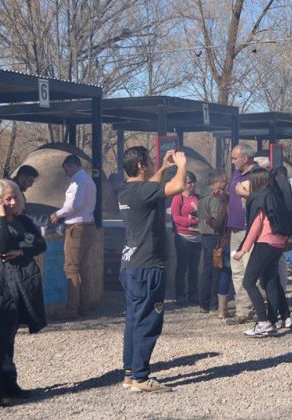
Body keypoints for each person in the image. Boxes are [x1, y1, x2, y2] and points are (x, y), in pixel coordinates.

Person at [118, 146, 187, 393]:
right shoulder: (143, 191)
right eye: (149, 160)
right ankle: (141, 377)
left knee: (133, 320)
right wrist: (181, 165)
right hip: (148, 266)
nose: (151, 163)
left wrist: (162, 169)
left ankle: (129, 373)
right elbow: (177, 187)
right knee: (148, 321)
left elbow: (151, 188)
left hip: (130, 266)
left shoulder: (127, 190)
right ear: (140, 166)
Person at [0, 179, 47, 406]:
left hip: (18, 283)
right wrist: (0, 218)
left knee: (10, 335)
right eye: (7, 198)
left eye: (15, 196)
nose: (13, 201)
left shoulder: (23, 221)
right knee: (1, 336)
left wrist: (20, 250)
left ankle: (10, 384)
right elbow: (0, 245)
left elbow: (39, 244)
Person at [233, 168, 292, 337]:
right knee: (271, 282)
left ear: (255, 181)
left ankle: (263, 321)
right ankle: (272, 322)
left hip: (265, 243)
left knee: (249, 282)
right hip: (278, 244)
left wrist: (243, 249)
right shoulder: (275, 195)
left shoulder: (261, 197)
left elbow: (255, 225)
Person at [50, 154, 97, 319]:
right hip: (88, 225)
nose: (66, 173)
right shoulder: (88, 180)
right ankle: (84, 306)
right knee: (82, 267)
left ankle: (71, 309)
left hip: (77, 227)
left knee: (71, 268)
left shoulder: (79, 181)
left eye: (66, 170)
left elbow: (75, 204)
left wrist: (59, 213)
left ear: (70, 166)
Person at [226, 143, 260, 324]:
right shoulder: (236, 174)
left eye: (234, 158)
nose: (232, 162)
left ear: (245, 158)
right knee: (237, 271)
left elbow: (262, 199)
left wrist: (245, 194)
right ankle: (243, 310)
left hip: (250, 228)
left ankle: (251, 309)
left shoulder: (258, 175)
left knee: (249, 272)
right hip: (235, 228)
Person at [197, 169, 231, 316]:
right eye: (224, 181)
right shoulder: (216, 199)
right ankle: (213, 303)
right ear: (216, 183)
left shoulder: (202, 197)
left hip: (204, 236)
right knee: (216, 270)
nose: (226, 183)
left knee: (206, 270)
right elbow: (217, 222)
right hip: (215, 237)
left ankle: (203, 303)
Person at [171, 171, 201, 305]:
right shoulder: (178, 198)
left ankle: (193, 292)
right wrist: (192, 222)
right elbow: (176, 217)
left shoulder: (198, 198)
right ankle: (180, 293)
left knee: (194, 267)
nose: (192, 185)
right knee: (182, 266)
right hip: (183, 236)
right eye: (189, 182)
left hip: (197, 237)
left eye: (193, 182)